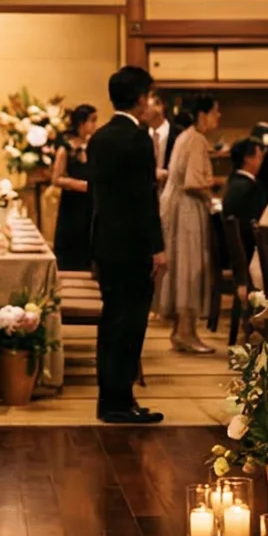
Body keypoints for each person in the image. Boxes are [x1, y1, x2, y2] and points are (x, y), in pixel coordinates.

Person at [87, 66, 165, 424]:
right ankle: (121, 402)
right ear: (138, 100)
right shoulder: (138, 138)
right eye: (149, 96)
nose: (151, 104)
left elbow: (97, 197)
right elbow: (144, 199)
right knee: (130, 325)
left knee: (111, 324)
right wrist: (157, 247)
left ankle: (110, 399)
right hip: (134, 246)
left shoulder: (99, 137)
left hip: (106, 242)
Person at [153, 95, 223, 354]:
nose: (219, 116)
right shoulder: (197, 139)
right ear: (202, 114)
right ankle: (186, 332)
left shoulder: (185, 136)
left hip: (178, 208)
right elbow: (193, 182)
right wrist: (213, 185)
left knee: (183, 267)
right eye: (216, 111)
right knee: (190, 267)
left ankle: (182, 331)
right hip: (188, 210)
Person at [50, 104, 98, 272]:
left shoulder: (95, 145)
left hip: (90, 201)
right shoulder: (67, 147)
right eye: (92, 121)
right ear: (81, 123)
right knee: (71, 239)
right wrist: (79, 185)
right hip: (72, 201)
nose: (95, 125)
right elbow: (56, 178)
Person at [221, 137, 268, 225]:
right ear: (247, 159)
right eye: (259, 157)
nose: (261, 162)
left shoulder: (232, 182)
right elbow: (254, 224)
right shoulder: (251, 189)